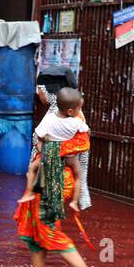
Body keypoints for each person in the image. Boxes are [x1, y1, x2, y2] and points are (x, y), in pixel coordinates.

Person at [14, 113, 110, 267]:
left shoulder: (57, 125)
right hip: (48, 184)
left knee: (50, 232)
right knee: (36, 231)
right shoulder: (71, 137)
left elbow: (39, 144)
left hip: (49, 184)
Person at [35, 78, 91, 210]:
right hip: (70, 158)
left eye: (41, 90)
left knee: (33, 171)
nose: (39, 93)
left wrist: (43, 151)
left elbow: (39, 136)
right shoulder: (77, 120)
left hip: (50, 155)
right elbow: (86, 133)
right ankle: (75, 201)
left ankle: (32, 192)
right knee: (78, 177)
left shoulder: (50, 116)